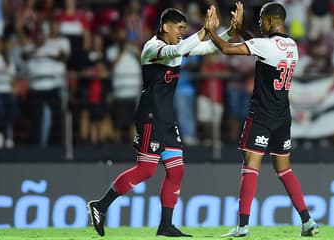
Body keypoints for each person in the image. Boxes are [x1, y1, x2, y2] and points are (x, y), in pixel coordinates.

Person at [87, 6, 236, 237]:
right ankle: (100, 205)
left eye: (184, 29)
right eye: (179, 28)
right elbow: (182, 47)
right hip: (150, 117)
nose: (181, 32)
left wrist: (229, 32)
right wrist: (204, 29)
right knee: (146, 170)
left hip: (166, 119)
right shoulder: (152, 47)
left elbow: (206, 48)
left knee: (176, 171)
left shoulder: (176, 48)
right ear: (165, 27)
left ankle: (165, 225)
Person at [205, 2, 319, 237]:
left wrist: (211, 32)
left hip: (262, 115)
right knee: (283, 168)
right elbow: (261, 48)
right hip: (282, 116)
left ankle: (243, 226)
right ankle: (307, 221)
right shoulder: (292, 45)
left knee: (250, 165)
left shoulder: (265, 45)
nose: (258, 24)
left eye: (260, 20)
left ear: (269, 21)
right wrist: (241, 31)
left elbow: (227, 49)